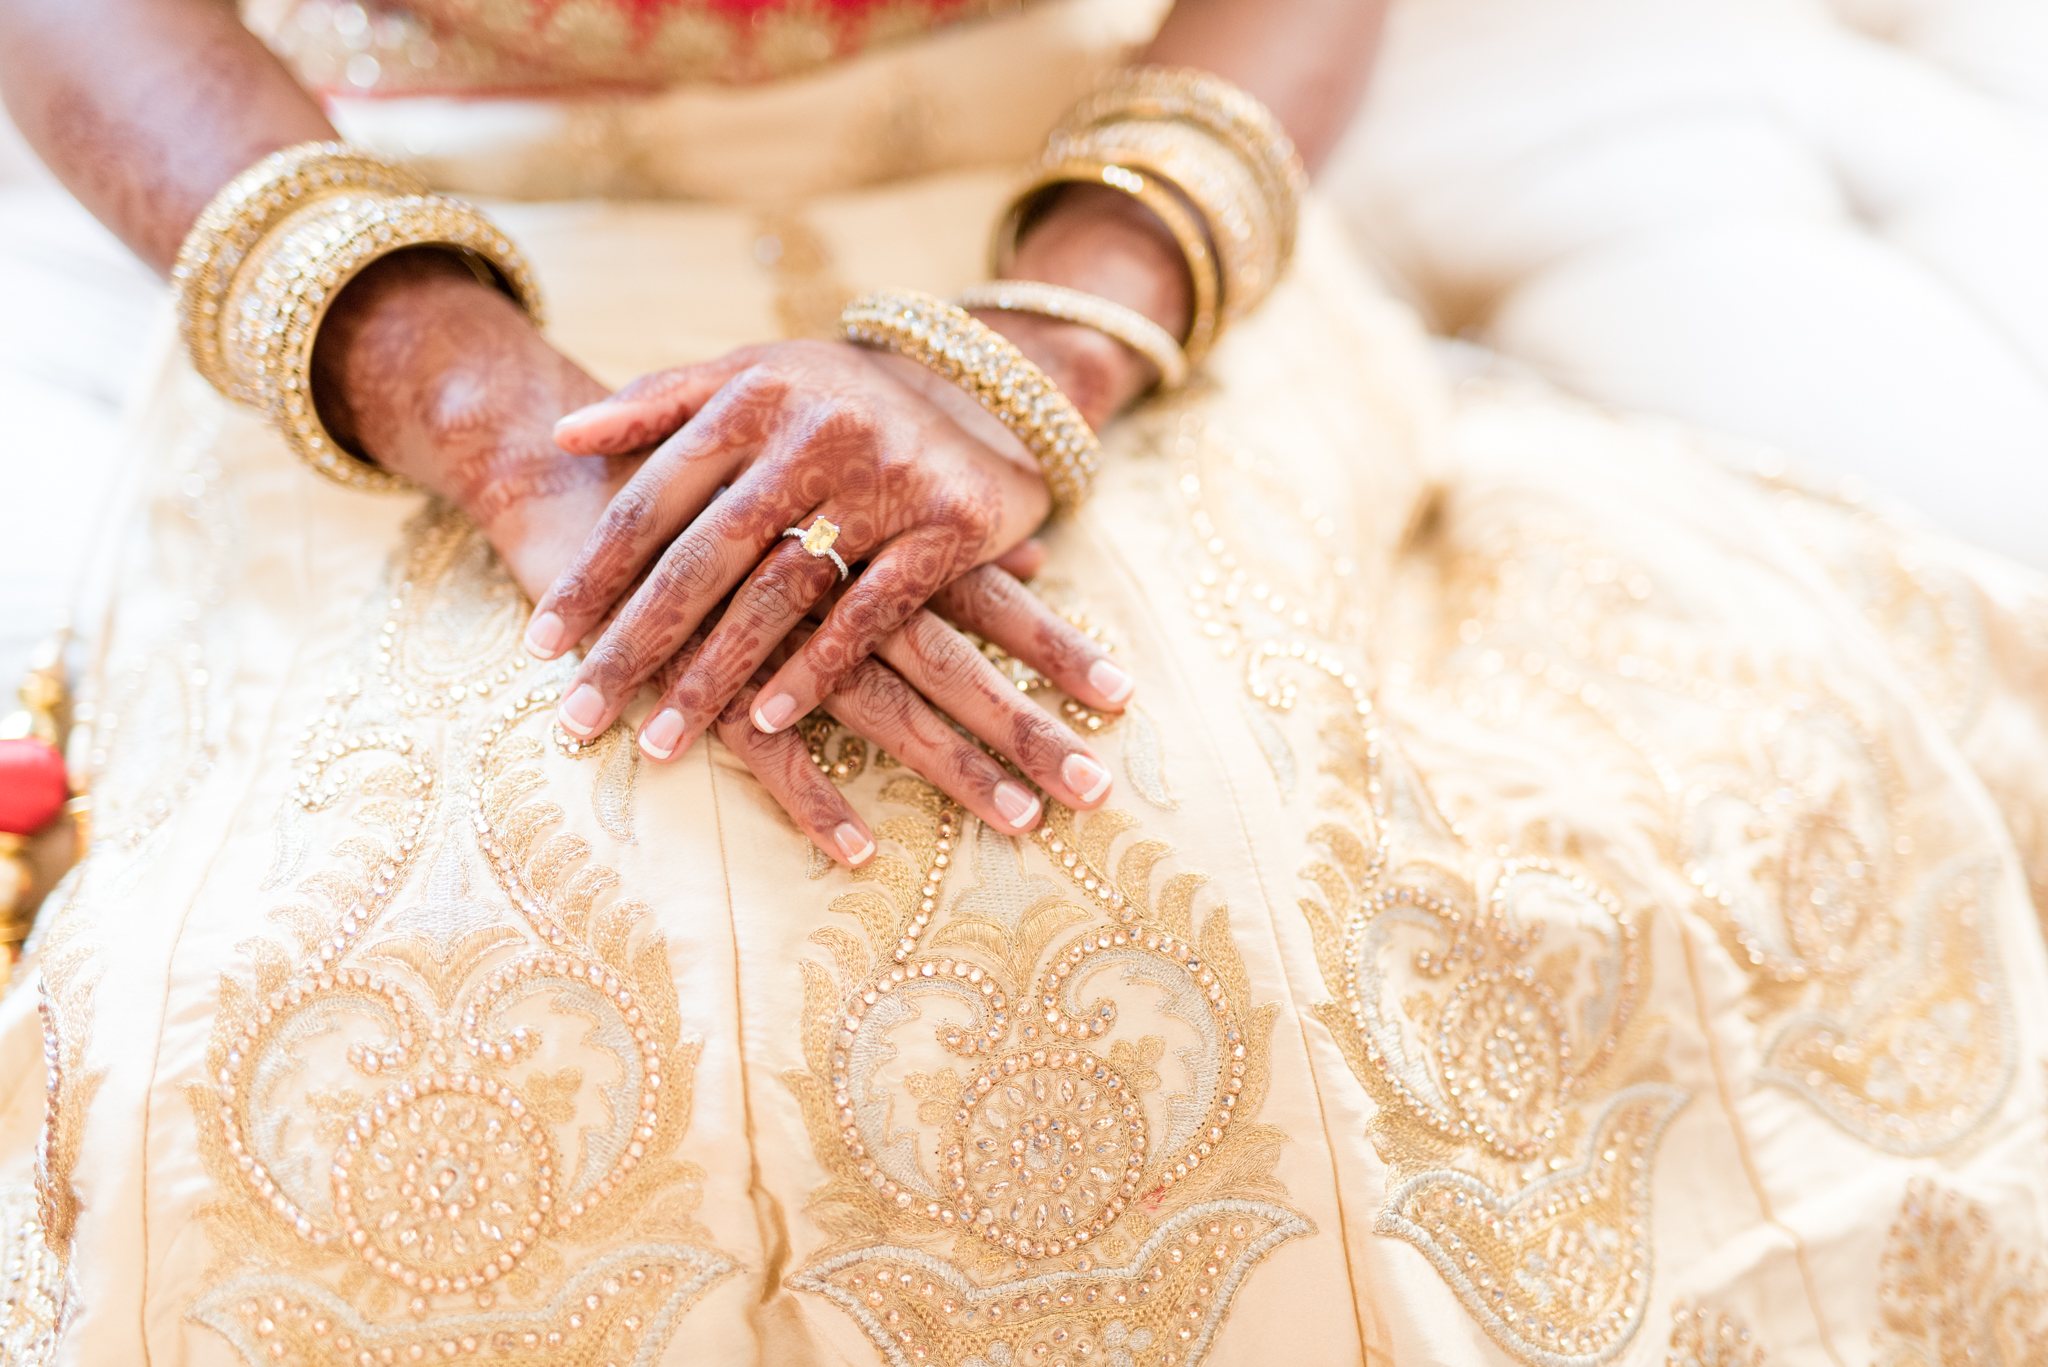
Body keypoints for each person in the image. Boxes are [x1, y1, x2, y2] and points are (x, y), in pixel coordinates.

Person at [1, 0, 2045, 1362]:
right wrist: (466, 395)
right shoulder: (414, 333)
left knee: (1190, 873)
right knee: (348, 985)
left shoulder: (1080, 285)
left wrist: (1047, 343)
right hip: (409, 254)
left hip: (1076, 221)